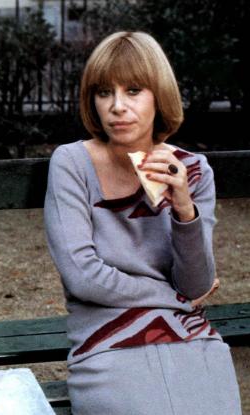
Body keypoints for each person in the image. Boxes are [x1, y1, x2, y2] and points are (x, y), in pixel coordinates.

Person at [44, 31, 241, 414]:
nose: (117, 106)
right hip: (108, 339)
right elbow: (83, 276)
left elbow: (195, 284)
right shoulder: (72, 163)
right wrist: (173, 299)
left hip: (189, 336)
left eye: (133, 90)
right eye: (104, 92)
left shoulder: (193, 170)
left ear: (158, 95)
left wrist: (183, 208)